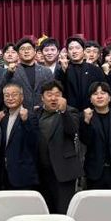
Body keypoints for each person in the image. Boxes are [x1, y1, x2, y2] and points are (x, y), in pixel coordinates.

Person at [34, 80, 82, 214]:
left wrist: (63, 111)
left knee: (63, 210)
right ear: (42, 97)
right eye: (49, 94)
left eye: (57, 94)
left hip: (63, 171)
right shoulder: (36, 113)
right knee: (44, 212)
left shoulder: (71, 111)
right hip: (41, 172)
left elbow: (72, 130)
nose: (53, 98)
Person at [0, 83, 38, 190]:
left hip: (23, 174)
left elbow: (34, 141)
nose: (10, 98)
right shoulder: (3, 117)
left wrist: (25, 121)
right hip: (5, 174)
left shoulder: (30, 116)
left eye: (14, 95)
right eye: (7, 95)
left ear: (22, 97)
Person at [1, 37, 53, 109]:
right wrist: (9, 73)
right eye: (22, 49)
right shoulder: (11, 71)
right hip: (20, 112)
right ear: (18, 53)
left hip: (43, 111)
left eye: (29, 48)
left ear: (35, 51)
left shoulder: (46, 71)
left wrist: (42, 106)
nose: (26, 51)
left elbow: (51, 92)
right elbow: (2, 91)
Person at [55, 36, 105, 111]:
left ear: (84, 51)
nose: (74, 51)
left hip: (91, 111)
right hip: (69, 112)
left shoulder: (95, 70)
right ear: (67, 53)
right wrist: (63, 71)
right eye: (71, 48)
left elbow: (103, 90)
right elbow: (59, 91)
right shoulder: (62, 70)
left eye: (77, 48)